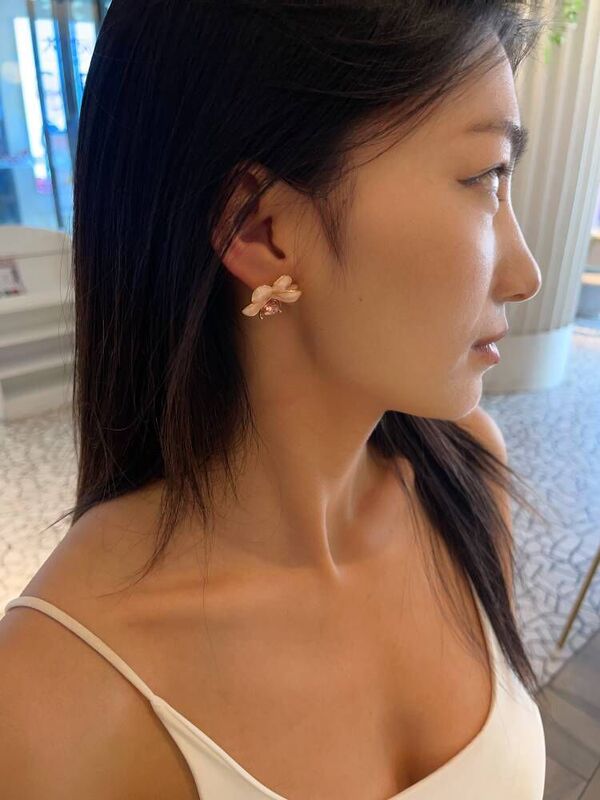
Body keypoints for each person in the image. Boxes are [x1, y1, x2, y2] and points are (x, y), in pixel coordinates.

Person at [0, 1, 551, 798]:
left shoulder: (466, 474)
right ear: (260, 229)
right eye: (484, 177)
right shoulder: (52, 699)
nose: (526, 274)